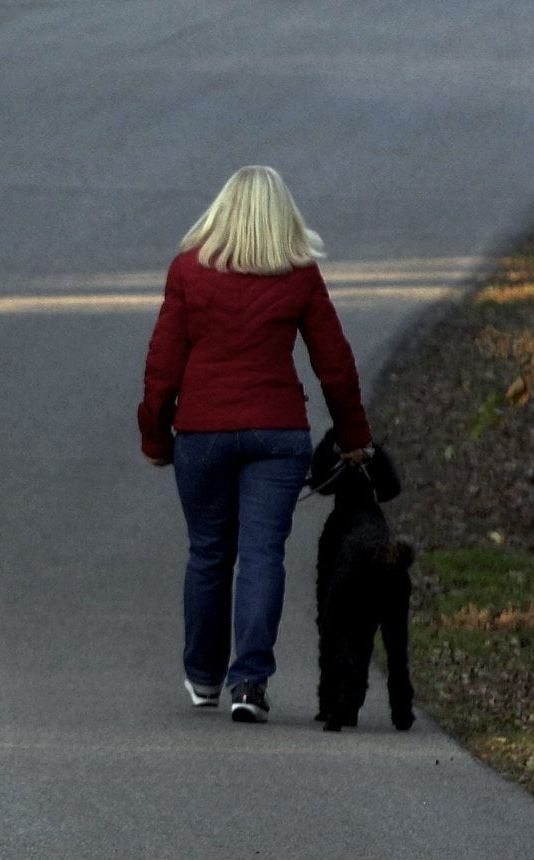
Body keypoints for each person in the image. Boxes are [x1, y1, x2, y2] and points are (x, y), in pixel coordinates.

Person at [137, 165, 372, 724]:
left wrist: (155, 435)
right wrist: (355, 437)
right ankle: (250, 683)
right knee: (263, 554)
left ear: (221, 211)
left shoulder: (189, 272)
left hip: (202, 434)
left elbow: (162, 368)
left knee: (209, 553)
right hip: (277, 434)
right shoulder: (298, 276)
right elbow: (334, 365)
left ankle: (202, 677)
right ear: (281, 215)